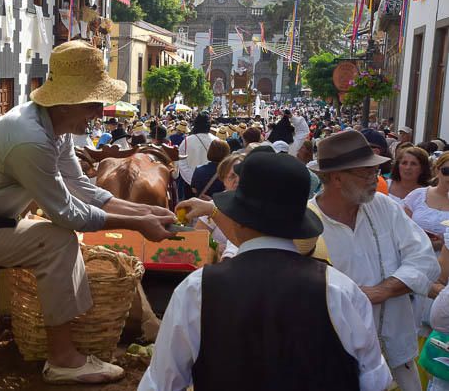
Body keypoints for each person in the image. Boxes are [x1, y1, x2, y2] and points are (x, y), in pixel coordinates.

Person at [0, 41, 176, 384]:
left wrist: (145, 212)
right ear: (68, 101)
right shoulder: (30, 138)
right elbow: (67, 214)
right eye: (93, 102)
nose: (98, 111)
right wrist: (140, 224)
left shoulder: (51, 129)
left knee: (37, 230)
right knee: (57, 241)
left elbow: (86, 190)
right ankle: (63, 359)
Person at [139, 152, 393, 391]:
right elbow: (375, 381)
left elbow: (161, 384)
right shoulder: (340, 289)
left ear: (237, 221)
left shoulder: (197, 289)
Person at [309, 130, 441, 391]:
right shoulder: (306, 222)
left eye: (376, 171)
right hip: (336, 362)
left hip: (397, 353)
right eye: (366, 173)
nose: (375, 178)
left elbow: (424, 259)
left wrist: (383, 290)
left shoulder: (384, 206)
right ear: (336, 178)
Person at [177, 112, 216, 200]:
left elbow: (181, 163)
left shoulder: (187, 141)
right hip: (214, 184)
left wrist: (193, 181)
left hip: (190, 185)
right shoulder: (217, 140)